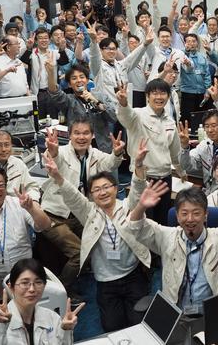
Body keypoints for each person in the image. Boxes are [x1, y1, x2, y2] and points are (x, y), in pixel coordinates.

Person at [43, 138, 151, 332]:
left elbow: (138, 190)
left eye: (107, 187)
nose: (102, 193)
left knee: (139, 325)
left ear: (116, 189)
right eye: (97, 190)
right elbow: (72, 196)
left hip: (133, 275)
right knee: (112, 327)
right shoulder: (89, 212)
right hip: (105, 282)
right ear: (91, 195)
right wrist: (58, 176)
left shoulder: (127, 207)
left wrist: (139, 164)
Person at [128, 170, 218, 313]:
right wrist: (141, 206)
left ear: (206, 215)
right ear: (177, 216)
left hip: (214, 313)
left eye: (196, 213)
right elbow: (136, 228)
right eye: (184, 213)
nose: (190, 219)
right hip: (177, 312)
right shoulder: (168, 237)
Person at [40, 117, 124, 299]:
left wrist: (117, 154)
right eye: (76, 133)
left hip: (79, 213)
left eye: (86, 133)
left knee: (100, 234)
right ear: (69, 135)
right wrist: (53, 152)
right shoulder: (59, 152)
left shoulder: (94, 154)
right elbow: (54, 163)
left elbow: (110, 163)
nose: (81, 137)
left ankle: (96, 271)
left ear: (92, 135)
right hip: (55, 213)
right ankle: (61, 291)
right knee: (79, 252)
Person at [116, 79, 185, 225]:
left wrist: (180, 170)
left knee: (163, 220)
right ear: (147, 96)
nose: (159, 97)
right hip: (145, 178)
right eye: (154, 93)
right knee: (144, 221)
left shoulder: (170, 122)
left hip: (166, 177)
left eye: (163, 93)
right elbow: (125, 116)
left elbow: (174, 151)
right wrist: (123, 103)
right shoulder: (138, 115)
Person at [0, 258, 84, 344]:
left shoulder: (52, 318)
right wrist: (0, 328)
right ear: (11, 287)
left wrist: (66, 330)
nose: (32, 289)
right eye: (25, 283)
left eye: (38, 282)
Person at [46, 62, 117, 153]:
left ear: (87, 80)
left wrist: (96, 101)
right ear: (69, 84)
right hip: (79, 148)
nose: (79, 80)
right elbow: (55, 93)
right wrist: (51, 73)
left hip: (101, 147)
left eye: (82, 77)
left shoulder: (99, 97)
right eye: (74, 78)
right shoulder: (69, 100)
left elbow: (113, 117)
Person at [88, 21, 154, 108]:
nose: (111, 51)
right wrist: (93, 41)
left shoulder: (121, 65)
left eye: (113, 49)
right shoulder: (98, 66)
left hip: (124, 109)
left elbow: (133, 57)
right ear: (101, 50)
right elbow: (94, 56)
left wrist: (145, 43)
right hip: (107, 110)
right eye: (107, 49)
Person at [178, 108, 218, 193]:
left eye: (214, 126)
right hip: (208, 193)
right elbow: (186, 166)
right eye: (207, 126)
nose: (210, 130)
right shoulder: (205, 145)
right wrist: (184, 146)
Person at [18, 27, 70, 118]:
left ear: (49, 40)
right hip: (37, 93)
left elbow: (64, 61)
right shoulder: (32, 53)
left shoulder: (54, 53)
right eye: (40, 38)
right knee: (39, 118)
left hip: (52, 92)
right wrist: (29, 48)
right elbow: (24, 60)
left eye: (46, 38)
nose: (43, 40)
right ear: (36, 41)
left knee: (54, 118)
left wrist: (62, 49)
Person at [179, 33, 212, 125]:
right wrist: (186, 51)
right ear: (185, 43)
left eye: (193, 41)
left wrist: (207, 90)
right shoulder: (182, 55)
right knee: (187, 119)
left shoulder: (202, 56)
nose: (191, 44)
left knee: (201, 119)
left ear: (197, 43)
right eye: (188, 41)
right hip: (187, 92)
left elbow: (207, 75)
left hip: (201, 93)